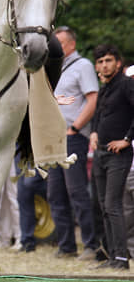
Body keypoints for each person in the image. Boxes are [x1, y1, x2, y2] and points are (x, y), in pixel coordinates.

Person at [45, 26, 99, 259]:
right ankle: (66, 245)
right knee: (55, 193)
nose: (54, 48)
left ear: (71, 45)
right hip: (53, 138)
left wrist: (75, 127)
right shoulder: (52, 67)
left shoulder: (83, 66)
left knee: (76, 191)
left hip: (73, 137)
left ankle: (90, 244)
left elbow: (92, 99)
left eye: (59, 44)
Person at [90, 44, 134, 270]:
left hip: (119, 155)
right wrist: (95, 133)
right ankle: (111, 255)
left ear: (117, 62)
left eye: (108, 60)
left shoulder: (127, 84)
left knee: (113, 204)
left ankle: (122, 259)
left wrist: (127, 138)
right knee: (103, 206)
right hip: (101, 154)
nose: (104, 65)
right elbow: (99, 114)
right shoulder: (105, 87)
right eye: (100, 62)